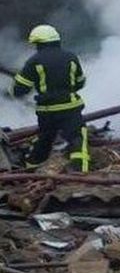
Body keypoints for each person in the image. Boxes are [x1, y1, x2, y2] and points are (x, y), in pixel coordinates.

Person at [7, 24, 90, 172]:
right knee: (77, 136)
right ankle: (80, 169)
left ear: (39, 43)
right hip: (70, 107)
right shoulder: (71, 57)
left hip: (47, 111)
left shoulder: (34, 61)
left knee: (45, 138)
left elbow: (20, 89)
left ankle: (30, 167)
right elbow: (80, 82)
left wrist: (11, 92)